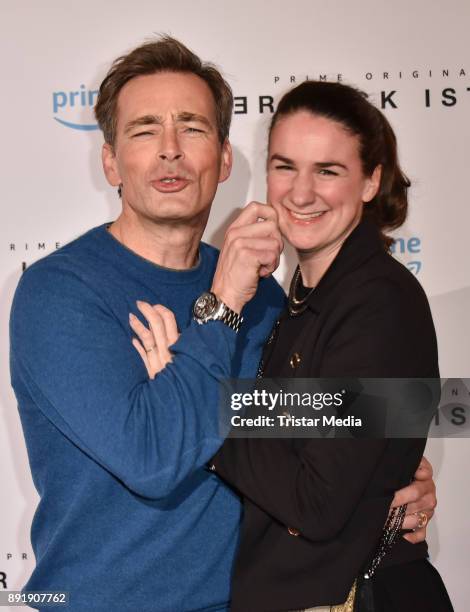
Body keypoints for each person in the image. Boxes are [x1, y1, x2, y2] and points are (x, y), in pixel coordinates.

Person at [9, 36, 435, 612]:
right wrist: (220, 308)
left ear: (225, 157)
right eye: (143, 130)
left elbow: (311, 421)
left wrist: (382, 464)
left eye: (191, 128)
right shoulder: (61, 291)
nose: (170, 151)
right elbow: (153, 458)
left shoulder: (262, 294)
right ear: (110, 159)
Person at [132, 81, 451, 611]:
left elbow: (316, 499)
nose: (300, 193)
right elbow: (311, 426)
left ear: (372, 180)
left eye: (327, 171)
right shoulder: (294, 301)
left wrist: (196, 401)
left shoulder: (380, 302)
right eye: (285, 167)